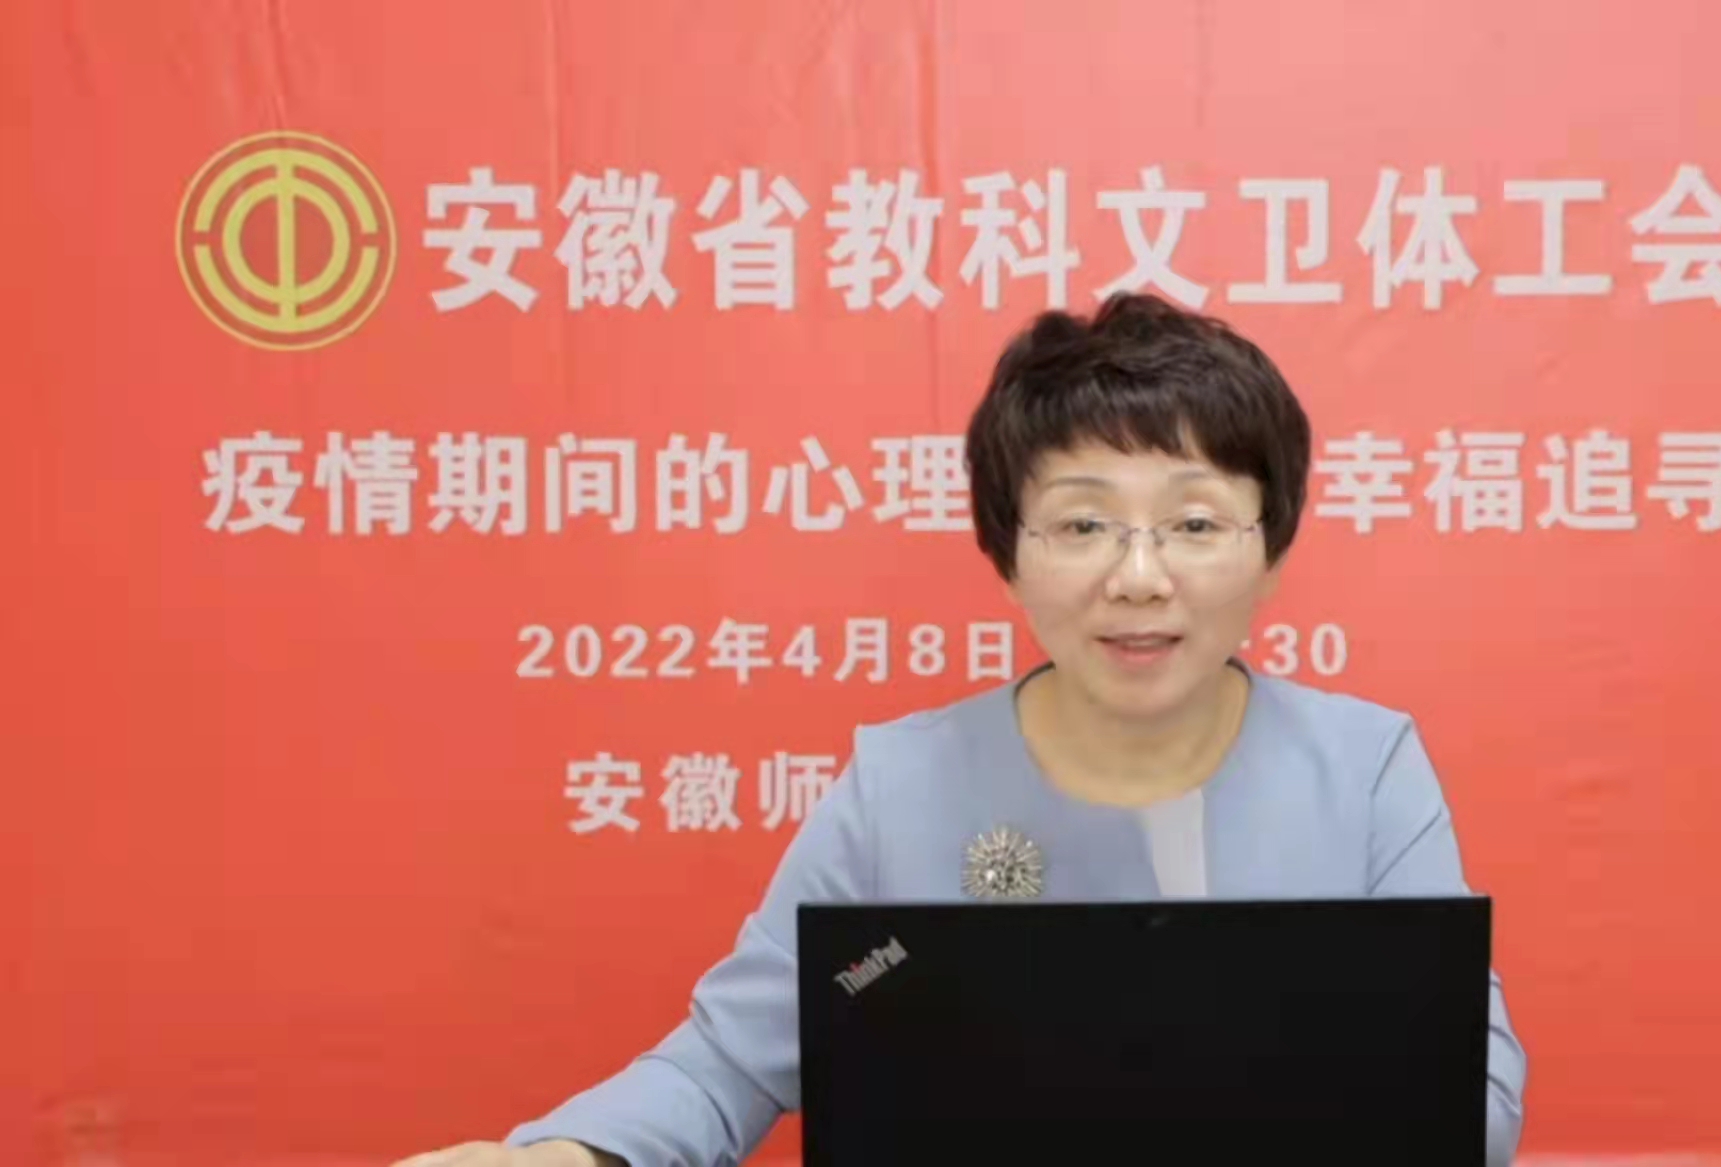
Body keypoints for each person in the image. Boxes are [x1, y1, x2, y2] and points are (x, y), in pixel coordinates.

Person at [392, 293, 1528, 1167]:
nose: (1139, 578)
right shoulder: (901, 785)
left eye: (1193, 522)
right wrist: (566, 1155)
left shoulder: (1365, 768)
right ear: (1006, 553)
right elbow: (725, 1063)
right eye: (1082, 525)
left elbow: (1468, 1094)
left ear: (1270, 550)